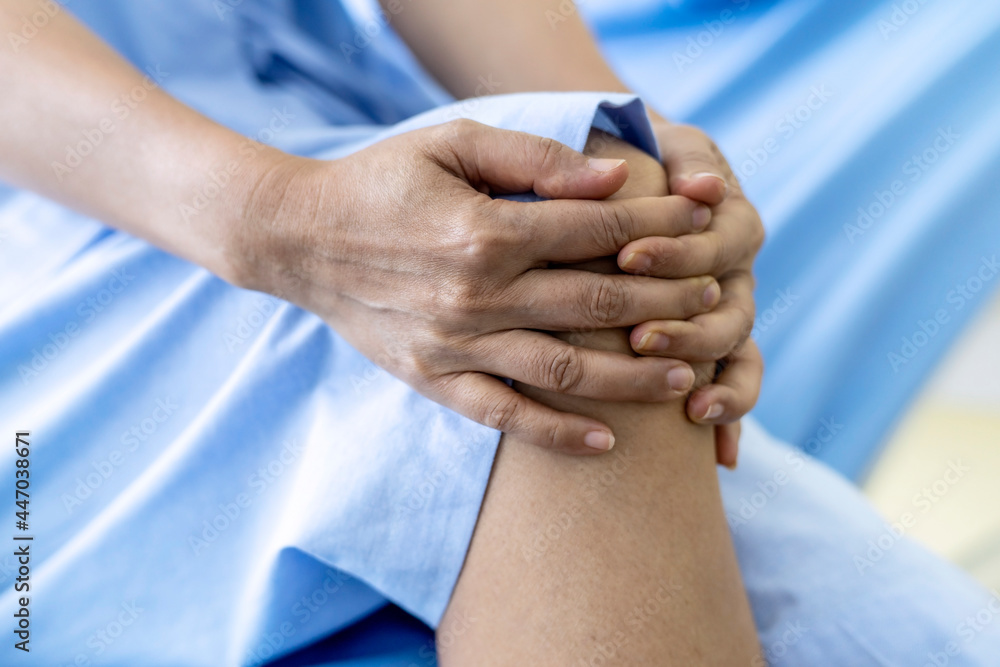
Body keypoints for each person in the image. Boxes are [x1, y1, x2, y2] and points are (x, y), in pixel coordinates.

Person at [0, 1, 997, 665]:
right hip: (75, 200)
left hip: (326, 129)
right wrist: (273, 218)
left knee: (903, 636)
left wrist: (658, 169)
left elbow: (597, 157)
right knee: (550, 252)